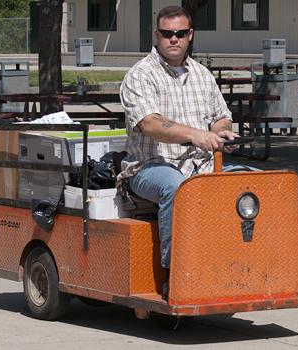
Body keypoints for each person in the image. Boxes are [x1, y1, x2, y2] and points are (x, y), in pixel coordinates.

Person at [119, 6, 247, 299]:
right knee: (177, 189)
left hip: (200, 166)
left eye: (179, 33)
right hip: (149, 167)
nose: (173, 39)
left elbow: (221, 116)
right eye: (166, 33)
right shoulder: (141, 75)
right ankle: (175, 274)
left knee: (250, 182)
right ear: (156, 35)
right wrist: (194, 135)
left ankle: (240, 264)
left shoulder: (202, 74)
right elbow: (149, 123)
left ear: (190, 35)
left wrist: (222, 130)